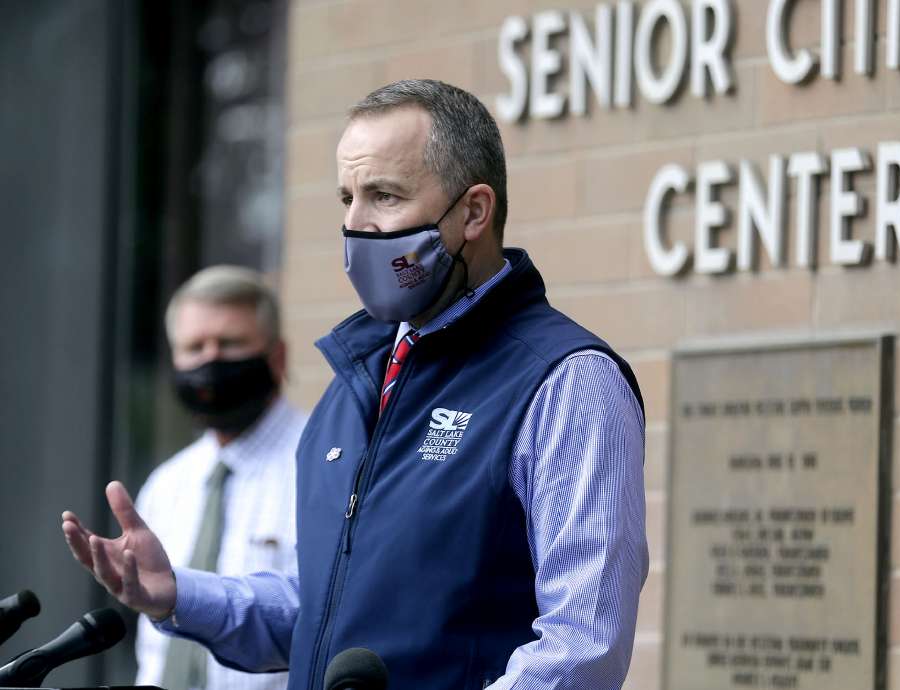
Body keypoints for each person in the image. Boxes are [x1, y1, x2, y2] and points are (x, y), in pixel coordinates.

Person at [61, 79, 648, 690]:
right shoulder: (357, 381)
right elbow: (323, 611)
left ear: (474, 212)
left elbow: (583, 646)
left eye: (384, 196)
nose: (354, 224)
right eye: (347, 197)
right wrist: (180, 594)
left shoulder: (566, 380)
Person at [134, 266, 305, 690]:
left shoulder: (325, 465)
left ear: (277, 357)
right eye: (194, 347)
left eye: (229, 344)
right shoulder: (166, 484)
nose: (210, 360)